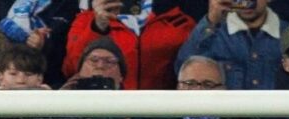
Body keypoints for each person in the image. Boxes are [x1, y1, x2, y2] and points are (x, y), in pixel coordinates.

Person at [63, 0, 195, 89]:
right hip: (105, 109)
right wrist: (98, 27)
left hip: (161, 111)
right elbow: (72, 69)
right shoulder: (87, 20)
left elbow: (193, 67)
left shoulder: (178, 19)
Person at [177, 0, 287, 90]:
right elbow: (181, 70)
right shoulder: (212, 33)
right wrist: (210, 21)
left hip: (276, 111)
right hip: (225, 110)